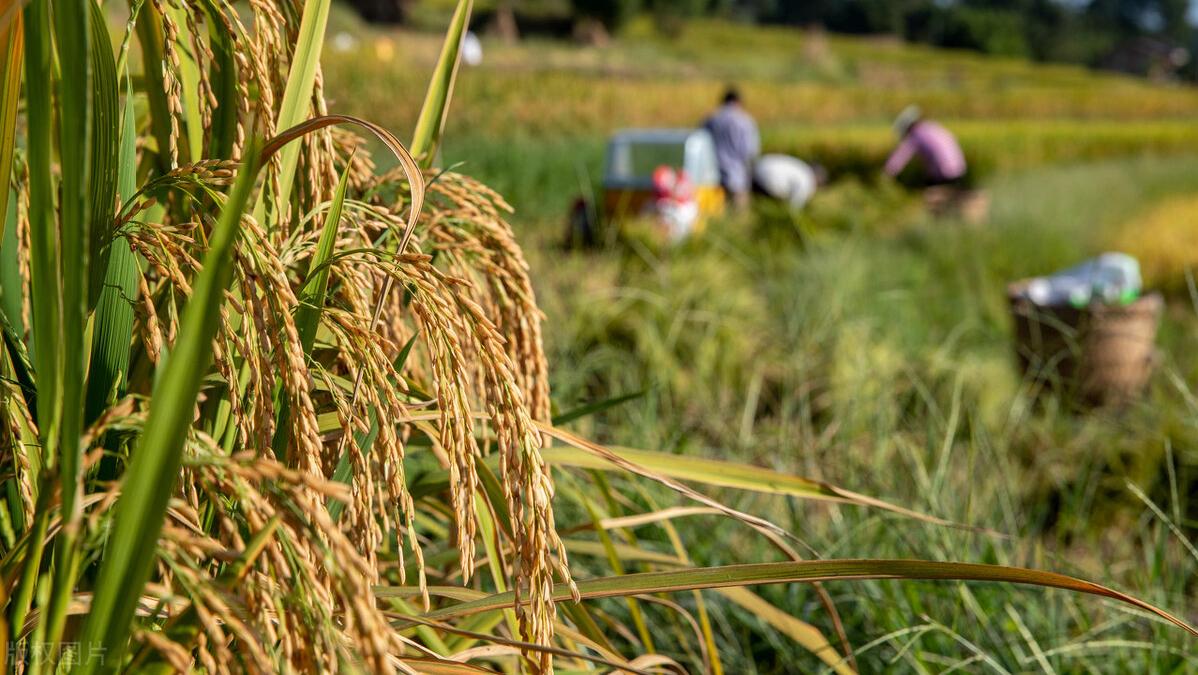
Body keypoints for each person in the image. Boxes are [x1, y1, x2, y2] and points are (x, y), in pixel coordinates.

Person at [703, 87, 759, 210]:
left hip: (713, 175)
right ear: (739, 102)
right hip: (737, 176)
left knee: (717, 214)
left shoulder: (711, 119)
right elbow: (751, 151)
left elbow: (700, 144)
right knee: (739, 216)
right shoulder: (745, 120)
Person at [884, 105, 966, 186]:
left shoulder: (916, 135)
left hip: (943, 175)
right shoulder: (932, 126)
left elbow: (900, 157)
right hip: (959, 170)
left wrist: (887, 174)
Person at [753, 154, 825, 210]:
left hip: (758, 167)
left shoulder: (802, 167)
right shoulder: (808, 181)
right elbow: (794, 207)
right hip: (767, 180)